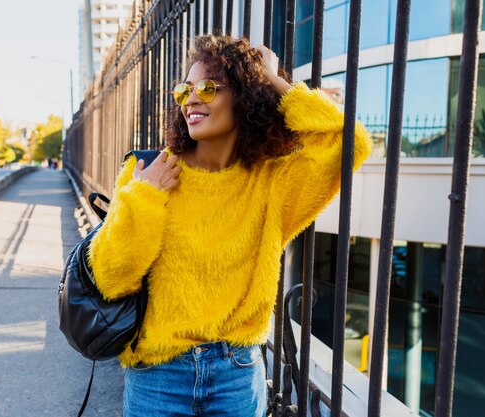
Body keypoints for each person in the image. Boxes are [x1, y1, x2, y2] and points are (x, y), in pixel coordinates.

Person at [88, 35, 371, 417]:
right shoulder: (148, 172)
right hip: (157, 376)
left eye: (208, 87)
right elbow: (110, 276)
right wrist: (145, 197)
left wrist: (271, 77)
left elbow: (350, 143)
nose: (191, 99)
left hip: (236, 375)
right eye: (184, 90)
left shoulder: (272, 184)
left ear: (246, 98)